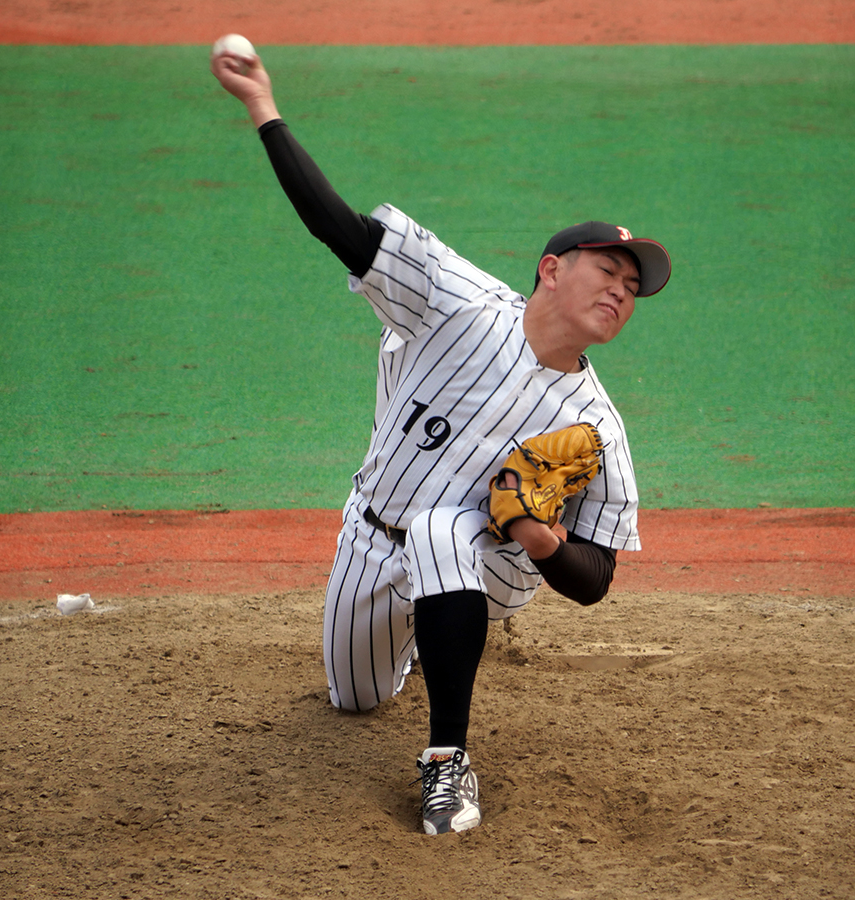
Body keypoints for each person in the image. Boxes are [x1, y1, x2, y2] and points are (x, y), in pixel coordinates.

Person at [211, 48, 671, 835]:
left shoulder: (597, 426)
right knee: (355, 697)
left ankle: (447, 762)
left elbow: (596, 578)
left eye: (633, 288)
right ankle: (433, 627)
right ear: (551, 270)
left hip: (492, 568)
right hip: (370, 536)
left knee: (442, 528)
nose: (621, 292)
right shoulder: (458, 301)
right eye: (608, 271)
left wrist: (540, 536)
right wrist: (264, 108)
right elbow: (339, 228)